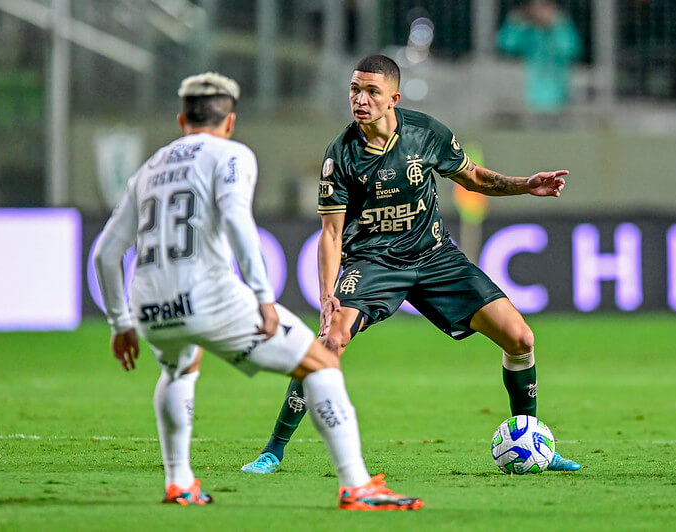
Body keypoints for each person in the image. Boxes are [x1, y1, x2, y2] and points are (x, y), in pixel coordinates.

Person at [93, 72, 423, 511]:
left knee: (179, 368)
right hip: (210, 298)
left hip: (150, 305)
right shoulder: (231, 155)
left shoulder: (148, 169)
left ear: (180, 119)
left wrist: (120, 323)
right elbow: (236, 220)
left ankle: (179, 483)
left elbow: (104, 254)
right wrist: (263, 297)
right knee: (321, 363)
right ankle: (357, 485)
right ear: (229, 121)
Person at [241, 54, 581, 474]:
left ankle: (534, 441)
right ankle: (273, 450)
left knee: (521, 338)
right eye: (354, 90)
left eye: (371, 91)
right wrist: (328, 296)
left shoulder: (426, 133)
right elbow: (330, 234)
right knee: (329, 341)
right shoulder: (341, 155)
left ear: (393, 98)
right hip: (374, 263)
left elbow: (473, 177)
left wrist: (524, 185)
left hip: (436, 257)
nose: (360, 100)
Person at [497, 0, 582, 114]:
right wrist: (515, 24)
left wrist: (558, 26)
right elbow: (506, 45)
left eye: (544, 7)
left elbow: (570, 49)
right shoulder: (529, 32)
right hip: (530, 91)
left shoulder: (562, 28)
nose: (540, 12)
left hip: (557, 90)